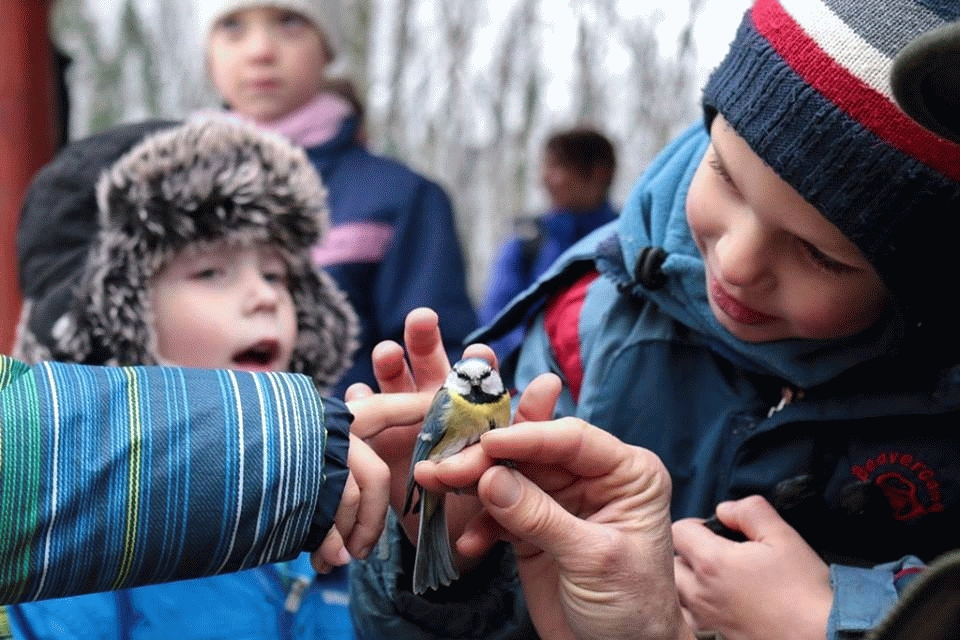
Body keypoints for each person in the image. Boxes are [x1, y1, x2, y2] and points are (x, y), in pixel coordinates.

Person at [347, 1, 960, 638]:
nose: (739, 261)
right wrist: (449, 555)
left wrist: (839, 623)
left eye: (819, 254)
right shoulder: (588, 323)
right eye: (725, 175)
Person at [4, 118, 422, 638]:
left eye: (276, 274)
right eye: (209, 273)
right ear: (114, 318)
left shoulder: (341, 502)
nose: (265, 296)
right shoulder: (72, 560)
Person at [198, 0, 478, 397]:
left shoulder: (401, 198)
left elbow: (438, 361)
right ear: (208, 56)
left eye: (290, 22)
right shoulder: (160, 199)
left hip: (350, 451)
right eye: (232, 26)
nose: (260, 51)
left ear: (327, 50)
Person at [479, 127, 617, 362]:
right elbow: (496, 323)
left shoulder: (631, 244)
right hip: (532, 387)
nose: (545, 180)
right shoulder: (525, 244)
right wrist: (541, 364)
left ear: (599, 173)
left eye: (557, 167)